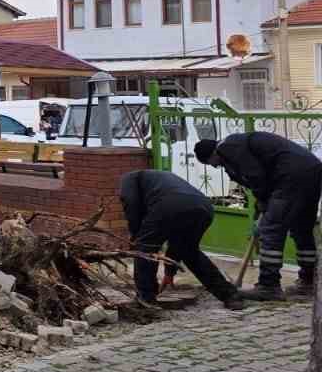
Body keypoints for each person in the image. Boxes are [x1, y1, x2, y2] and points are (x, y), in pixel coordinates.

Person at [194, 132, 320, 301]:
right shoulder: (236, 144)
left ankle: (269, 286)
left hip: (289, 176)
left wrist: (263, 201)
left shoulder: (227, 148)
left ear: (212, 156)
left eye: (212, 164)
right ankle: (309, 281)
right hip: (310, 170)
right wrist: (260, 207)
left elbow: (256, 176)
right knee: (301, 228)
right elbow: (259, 178)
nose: (217, 167)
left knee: (270, 230)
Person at [119, 170, 244, 310]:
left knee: (144, 250)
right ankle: (230, 296)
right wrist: (169, 272)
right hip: (203, 206)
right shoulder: (157, 180)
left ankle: (146, 299)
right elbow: (176, 245)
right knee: (189, 252)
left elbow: (131, 204)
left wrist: (135, 235)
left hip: (169, 204)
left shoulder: (128, 179)